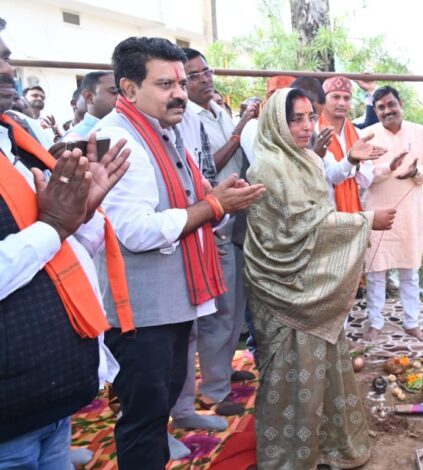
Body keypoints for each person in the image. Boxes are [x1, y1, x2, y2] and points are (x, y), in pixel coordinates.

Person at [94, 36, 266, 468]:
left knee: (158, 411)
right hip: (140, 314)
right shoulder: (119, 140)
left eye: (181, 83)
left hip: (170, 306)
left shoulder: (165, 132)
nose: (179, 94)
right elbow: (135, 231)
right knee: (143, 420)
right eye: (165, 84)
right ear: (129, 89)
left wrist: (218, 199)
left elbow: (193, 200)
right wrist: (213, 205)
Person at [0, 17, 133, 468]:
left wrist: (83, 215)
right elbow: (44, 238)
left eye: (6, 57)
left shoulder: (16, 145)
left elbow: (60, 255)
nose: (7, 70)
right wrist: (56, 225)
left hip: (48, 402)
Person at [244, 87, 395, 469]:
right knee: (288, 376)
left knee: (322, 366)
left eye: (311, 116)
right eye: (296, 118)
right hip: (281, 286)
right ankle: (290, 457)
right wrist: (365, 221)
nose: (307, 125)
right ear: (276, 122)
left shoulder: (307, 158)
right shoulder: (266, 167)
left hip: (314, 286)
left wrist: (349, 162)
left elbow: (318, 200)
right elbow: (297, 224)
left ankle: (329, 445)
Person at [171, 47, 257, 421]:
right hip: (211, 221)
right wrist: (238, 133)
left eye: (207, 71)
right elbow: (208, 168)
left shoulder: (217, 110)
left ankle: (221, 373)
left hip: (233, 218)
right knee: (217, 313)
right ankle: (213, 391)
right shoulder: (184, 118)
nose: (205, 78)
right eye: (195, 75)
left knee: (234, 307)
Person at [361, 86, 423, 341]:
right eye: (381, 107)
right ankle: (375, 323)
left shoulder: (420, 132)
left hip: (409, 215)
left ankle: (412, 321)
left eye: (391, 104)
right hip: (377, 213)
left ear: (400, 103)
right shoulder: (366, 136)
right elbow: (361, 179)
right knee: (375, 273)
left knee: (410, 272)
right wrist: (389, 168)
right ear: (375, 110)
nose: (387, 110)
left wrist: (414, 173)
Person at [315, 76, 375, 211]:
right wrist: (352, 160)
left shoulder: (358, 134)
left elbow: (367, 181)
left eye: (347, 98)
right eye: (335, 97)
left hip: (354, 210)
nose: (342, 103)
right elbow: (333, 176)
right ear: (323, 99)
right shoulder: (314, 131)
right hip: (324, 209)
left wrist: (357, 165)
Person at [63, 71, 119, 141]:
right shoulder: (76, 138)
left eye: (124, 93)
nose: (121, 97)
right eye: (114, 92)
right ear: (89, 97)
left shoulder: (125, 127)